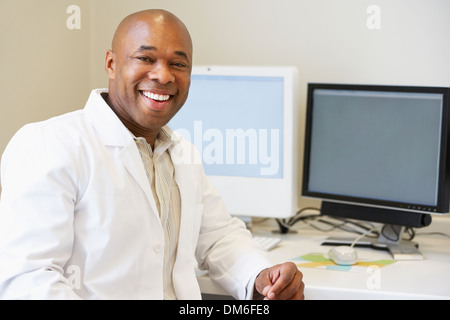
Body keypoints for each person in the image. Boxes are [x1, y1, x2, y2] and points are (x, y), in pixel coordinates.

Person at [0, 9, 304, 300]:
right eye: (145, 58)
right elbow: (27, 279)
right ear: (111, 64)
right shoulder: (50, 144)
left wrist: (261, 275)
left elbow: (218, 236)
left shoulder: (183, 154)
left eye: (179, 64)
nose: (163, 75)